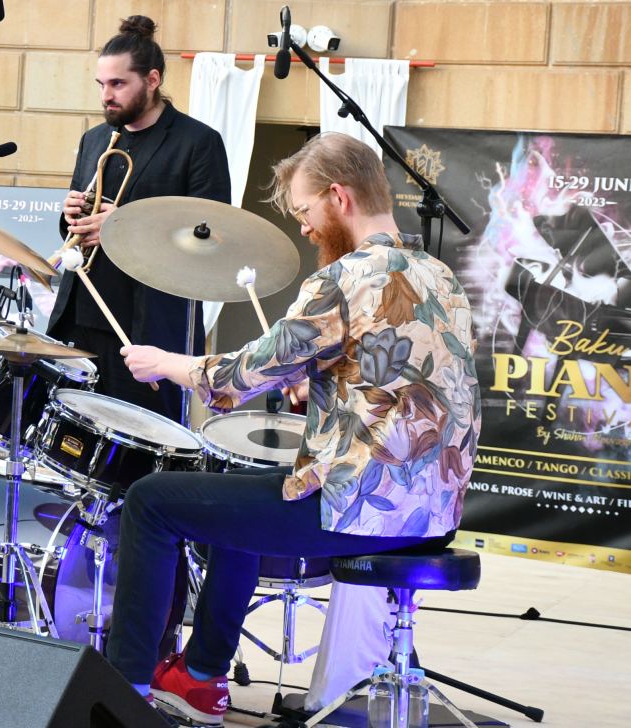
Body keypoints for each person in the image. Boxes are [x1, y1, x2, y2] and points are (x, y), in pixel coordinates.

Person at [111, 132, 481, 725]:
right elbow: (409, 381)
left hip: (359, 512)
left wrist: (165, 363)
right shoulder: (442, 278)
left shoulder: (343, 278)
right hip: (434, 516)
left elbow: (237, 376)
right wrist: (325, 380)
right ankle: (201, 678)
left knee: (150, 502)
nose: (304, 227)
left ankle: (122, 695)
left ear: (339, 197)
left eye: (306, 210)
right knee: (233, 503)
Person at [45, 14, 230, 422]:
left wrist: (126, 225)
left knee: (142, 444)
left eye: (118, 84)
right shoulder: (94, 139)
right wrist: (71, 214)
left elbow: (211, 236)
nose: (106, 96)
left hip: (150, 330)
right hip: (81, 317)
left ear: (152, 80)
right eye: (101, 85)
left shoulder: (198, 142)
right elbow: (77, 230)